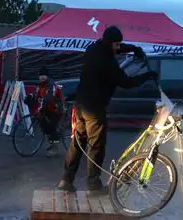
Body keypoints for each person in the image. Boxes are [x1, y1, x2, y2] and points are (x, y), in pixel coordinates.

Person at [58, 25, 159, 194]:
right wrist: (146, 76)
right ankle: (93, 185)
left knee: (78, 143)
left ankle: (66, 180)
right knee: (96, 145)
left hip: (81, 104)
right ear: (109, 43)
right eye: (116, 45)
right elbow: (126, 82)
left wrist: (134, 48)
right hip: (94, 108)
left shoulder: (94, 48)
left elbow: (115, 47)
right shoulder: (107, 61)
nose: (119, 48)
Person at [33, 67, 66, 157]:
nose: (42, 77)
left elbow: (50, 96)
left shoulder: (51, 85)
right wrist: (31, 98)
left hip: (57, 108)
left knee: (52, 127)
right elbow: (37, 95)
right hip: (47, 108)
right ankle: (50, 142)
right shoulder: (40, 85)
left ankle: (55, 148)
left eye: (44, 75)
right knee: (43, 123)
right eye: (40, 75)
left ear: (47, 76)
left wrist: (44, 101)